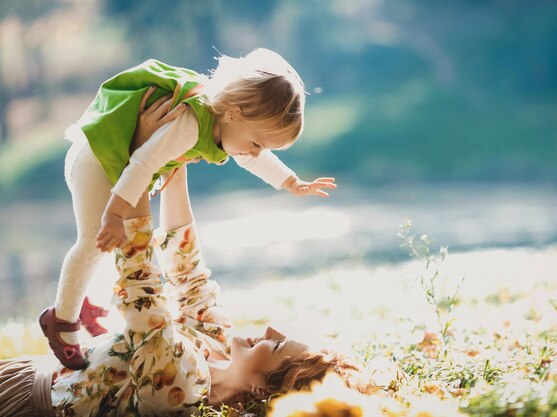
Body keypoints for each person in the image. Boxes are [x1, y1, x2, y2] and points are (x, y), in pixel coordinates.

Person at [0, 100, 353, 417]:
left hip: (27, 404)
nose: (270, 329)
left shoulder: (182, 390)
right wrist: (173, 160)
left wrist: (140, 153)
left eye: (275, 345)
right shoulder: (216, 343)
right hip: (30, 370)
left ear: (262, 389)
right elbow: (188, 268)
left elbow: (141, 285)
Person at [40, 48, 337, 370]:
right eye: (257, 143)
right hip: (98, 160)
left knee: (114, 245)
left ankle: (85, 304)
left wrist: (290, 181)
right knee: (92, 242)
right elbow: (142, 163)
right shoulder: (190, 124)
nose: (254, 152)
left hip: (114, 165)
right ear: (235, 114)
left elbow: (251, 157)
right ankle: (61, 322)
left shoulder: (223, 121)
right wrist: (113, 214)